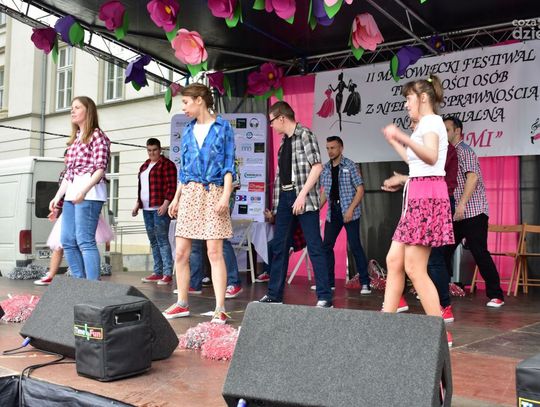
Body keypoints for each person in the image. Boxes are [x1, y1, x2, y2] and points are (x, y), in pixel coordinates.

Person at [381, 75, 454, 346]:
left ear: (423, 97)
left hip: (427, 197)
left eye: (408, 98)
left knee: (414, 267)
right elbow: (417, 164)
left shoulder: (432, 122)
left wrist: (401, 136)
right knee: (394, 260)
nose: (406, 104)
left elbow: (431, 156)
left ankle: (440, 332)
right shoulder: (424, 125)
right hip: (418, 195)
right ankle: (384, 323)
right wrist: (396, 142)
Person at [163, 83, 235, 324]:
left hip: (214, 191)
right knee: (181, 252)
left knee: (214, 252)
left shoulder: (223, 127)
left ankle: (220, 308)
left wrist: (225, 195)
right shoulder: (187, 130)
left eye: (186, 102)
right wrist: (176, 197)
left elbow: (228, 164)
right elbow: (183, 169)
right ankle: (182, 303)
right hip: (190, 192)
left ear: (199, 100)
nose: (183, 107)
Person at [258, 101, 332, 307]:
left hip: (304, 198)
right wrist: (276, 208)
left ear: (282, 118)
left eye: (272, 121)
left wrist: (302, 195)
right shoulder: (284, 143)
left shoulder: (305, 135)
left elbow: (317, 167)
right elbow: (282, 176)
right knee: (279, 246)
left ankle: (324, 296)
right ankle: (274, 294)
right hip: (285, 197)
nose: (271, 125)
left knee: (314, 245)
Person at [382, 141, 458, 321]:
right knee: (394, 260)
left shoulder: (434, 133)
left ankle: (442, 310)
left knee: (424, 265)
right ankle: (390, 312)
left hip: (430, 202)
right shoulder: (421, 135)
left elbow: (432, 172)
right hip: (415, 202)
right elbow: (418, 169)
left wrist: (398, 137)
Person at [444, 116, 505, 308]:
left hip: (473, 212)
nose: (444, 133)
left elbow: (472, 178)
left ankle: (496, 295)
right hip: (456, 213)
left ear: (457, 131)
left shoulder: (464, 151)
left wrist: (462, 204)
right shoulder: (448, 153)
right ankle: (438, 290)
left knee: (479, 253)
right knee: (443, 252)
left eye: (447, 130)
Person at [49, 96, 110, 280]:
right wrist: (57, 197)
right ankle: (79, 282)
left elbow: (100, 168)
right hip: (71, 194)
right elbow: (69, 173)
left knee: (85, 240)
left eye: (77, 107)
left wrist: (84, 190)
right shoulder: (75, 139)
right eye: (72, 107)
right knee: (67, 240)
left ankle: (92, 285)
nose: (72, 111)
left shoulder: (97, 136)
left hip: (90, 194)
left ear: (88, 111)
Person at [319, 136, 370, 294]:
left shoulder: (350, 165)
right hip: (333, 211)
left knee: (355, 246)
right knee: (326, 246)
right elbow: (325, 193)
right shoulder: (325, 168)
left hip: (349, 211)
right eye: (328, 148)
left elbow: (360, 190)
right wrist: (316, 209)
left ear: (341, 148)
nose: (330, 151)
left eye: (333, 148)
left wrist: (350, 209)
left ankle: (365, 283)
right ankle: (330, 283)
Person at [133, 138, 177, 286]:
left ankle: (167, 273)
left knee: (162, 240)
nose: (152, 153)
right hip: (146, 208)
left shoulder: (167, 165)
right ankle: (157, 272)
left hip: (159, 208)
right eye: (149, 150)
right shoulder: (145, 165)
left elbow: (171, 186)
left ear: (160, 150)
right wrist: (137, 204)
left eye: (154, 150)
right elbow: (141, 188)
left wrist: (166, 204)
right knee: (153, 241)